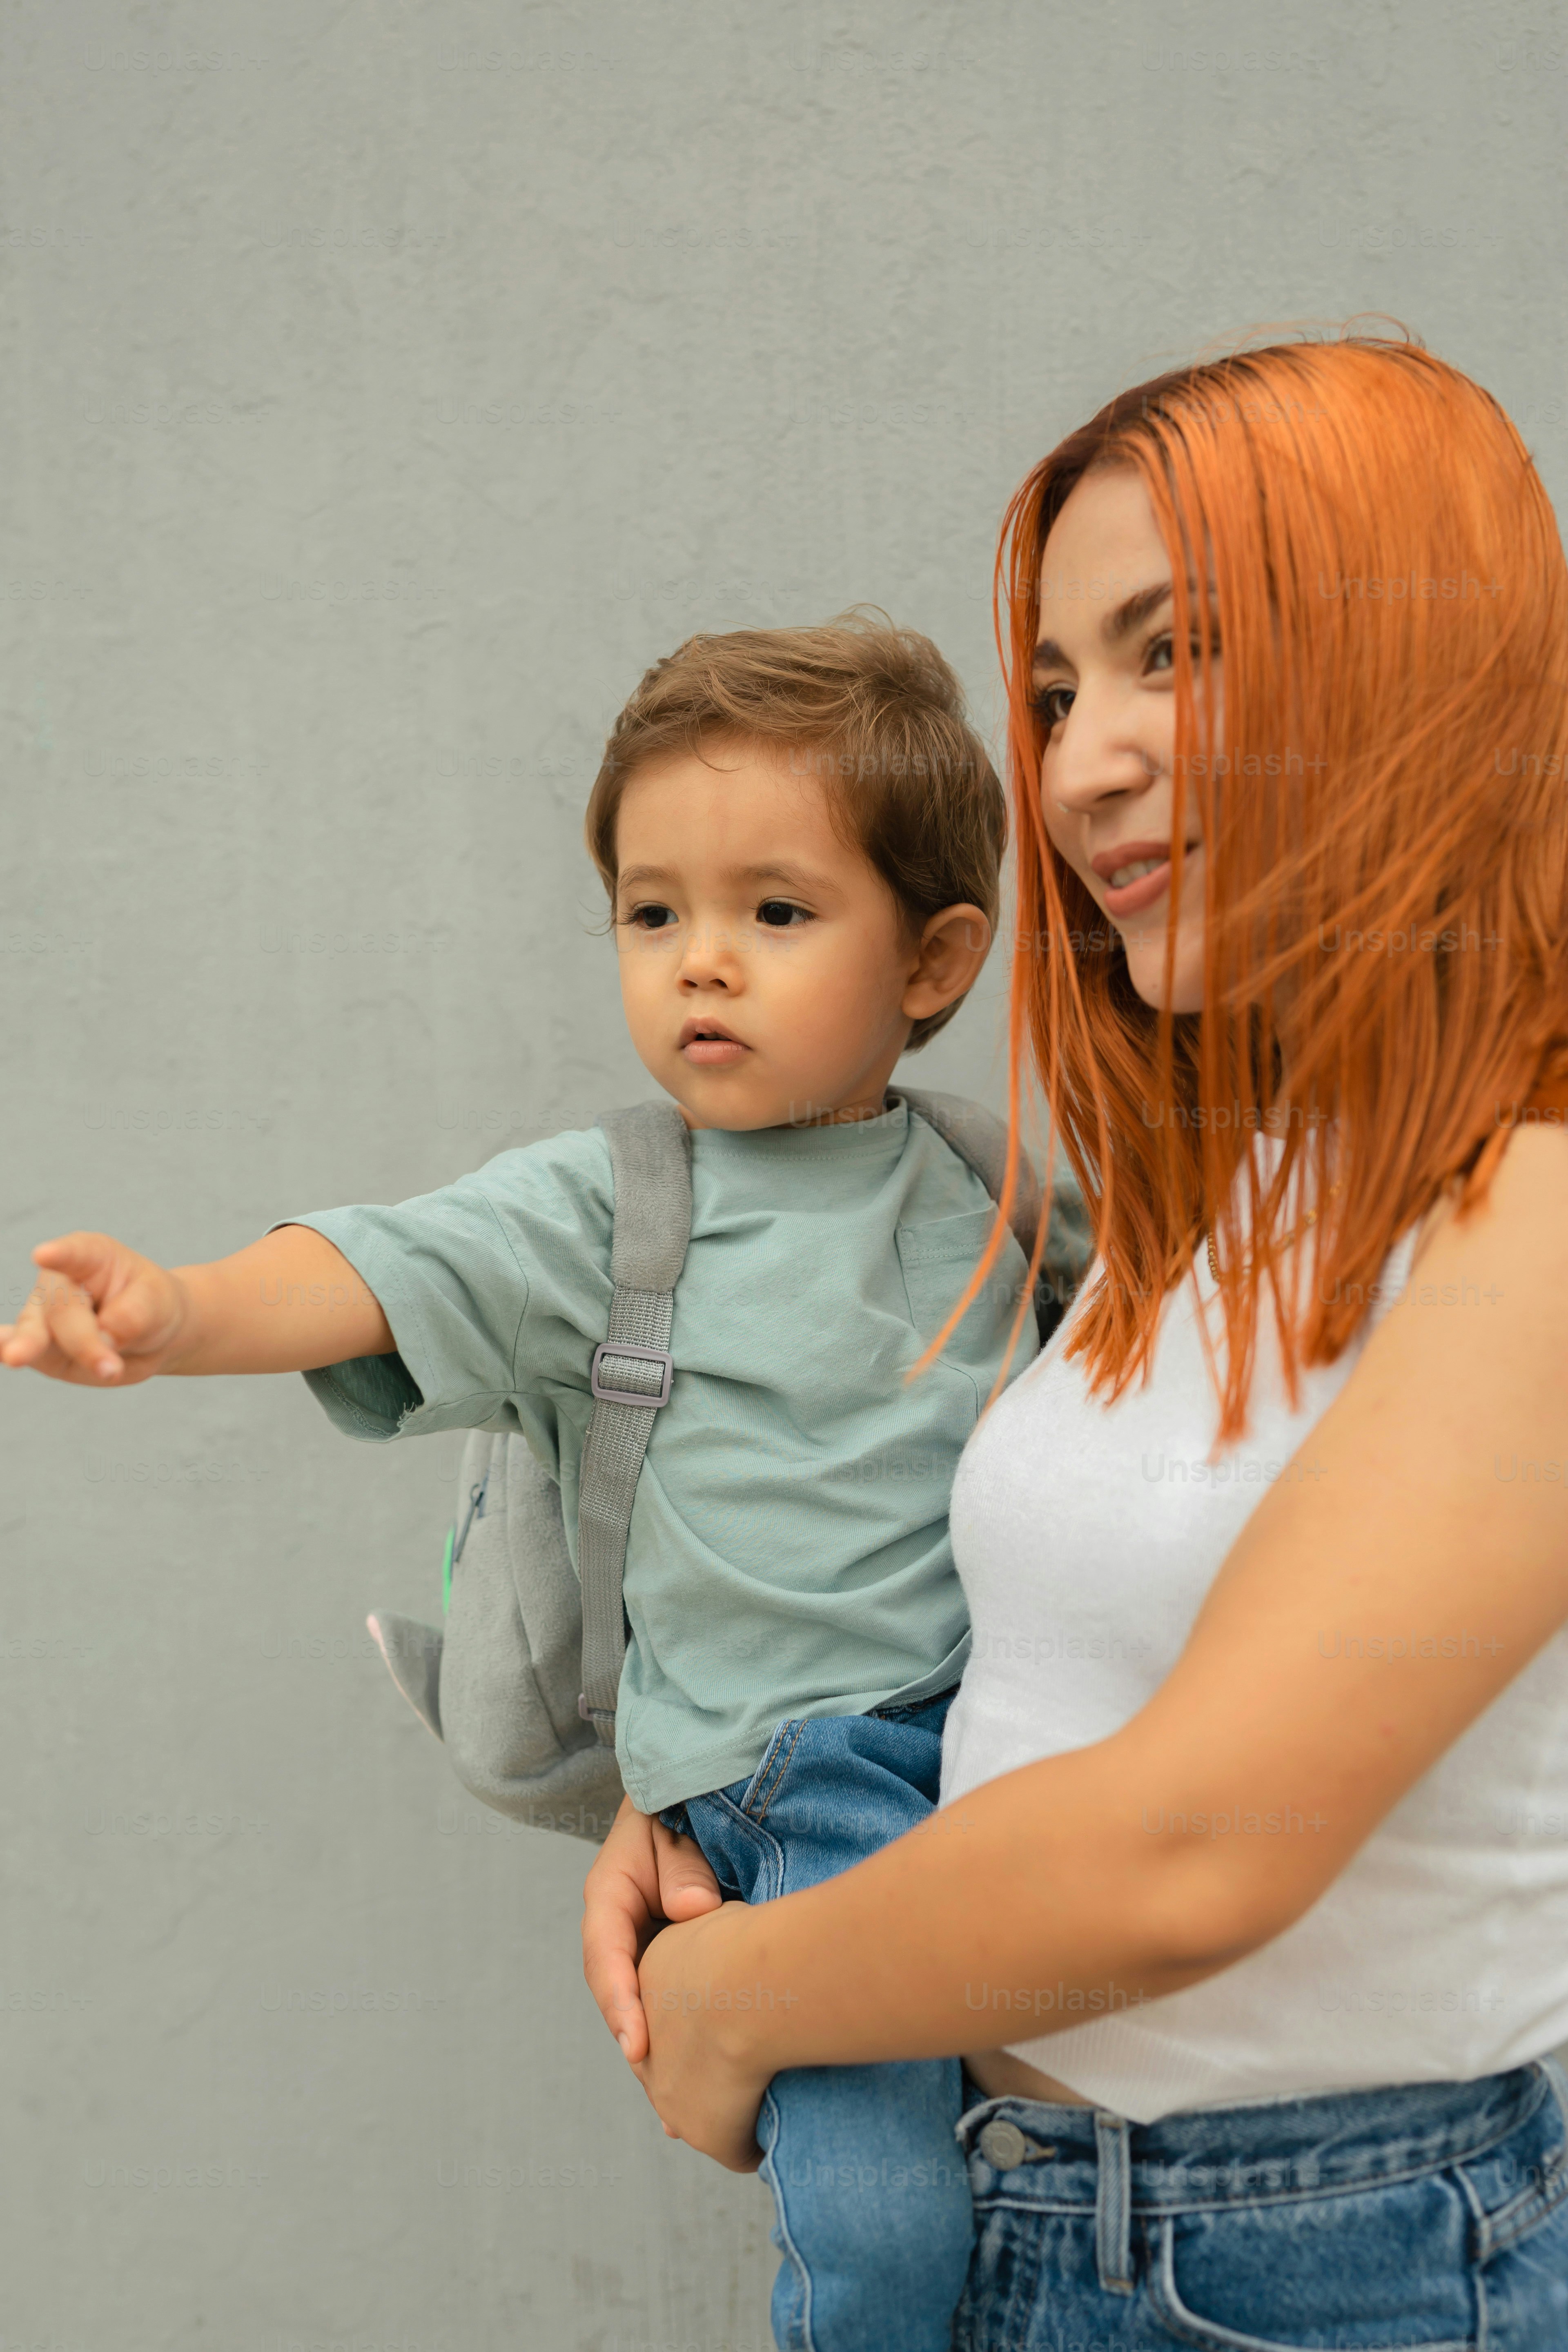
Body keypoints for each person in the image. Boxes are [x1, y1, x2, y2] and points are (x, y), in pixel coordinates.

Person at [582, 332, 1568, 2348]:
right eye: (1051, 691)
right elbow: (1068, 1660)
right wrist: (734, 1779)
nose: (1082, 762)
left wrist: (740, 2000)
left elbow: (1199, 1847)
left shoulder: (1536, 1204)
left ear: (1420, 664)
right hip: (1035, 2231)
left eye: (1174, 655)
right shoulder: (1223, 1193)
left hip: (1318, 2273)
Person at [0, 617, 1089, 2352]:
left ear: (935, 959)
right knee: (886, 2236)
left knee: (1077, 2150)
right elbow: (383, 1263)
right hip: (792, 1786)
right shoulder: (608, 1206)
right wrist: (184, 1311)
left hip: (1009, 1753)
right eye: (654, 914)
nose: (701, 964)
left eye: (775, 912)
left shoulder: (998, 1182)